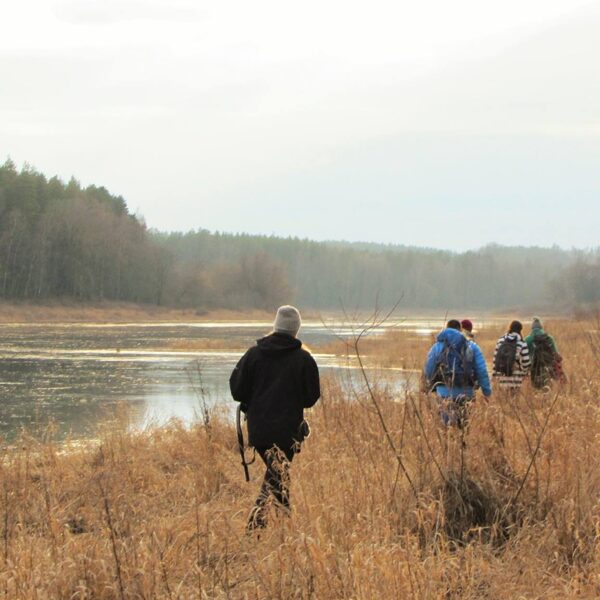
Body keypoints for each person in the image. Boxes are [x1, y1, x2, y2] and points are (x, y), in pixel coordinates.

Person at [229, 305, 320, 530]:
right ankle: (256, 527)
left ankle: (282, 528)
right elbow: (311, 398)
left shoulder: (253, 355)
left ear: (275, 326)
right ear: (296, 330)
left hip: (259, 430)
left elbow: (237, 391)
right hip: (289, 432)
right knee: (277, 475)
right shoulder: (304, 359)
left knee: (277, 475)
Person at [424, 319, 491, 427]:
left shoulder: (437, 347)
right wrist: (486, 392)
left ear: (446, 329)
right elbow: (482, 370)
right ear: (460, 330)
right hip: (467, 392)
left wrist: (429, 386)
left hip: (444, 393)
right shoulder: (472, 347)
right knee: (464, 428)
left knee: (446, 429)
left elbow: (429, 370)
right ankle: (463, 442)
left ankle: (448, 442)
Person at [492, 320, 531, 391]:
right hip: (516, 380)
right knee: (514, 400)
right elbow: (526, 363)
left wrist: (495, 375)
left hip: (501, 379)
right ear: (520, 330)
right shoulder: (522, 343)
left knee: (502, 401)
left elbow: (495, 360)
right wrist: (524, 373)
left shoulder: (500, 341)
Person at [525, 317, 562, 389]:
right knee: (548, 386)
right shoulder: (549, 338)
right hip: (548, 366)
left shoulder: (528, 339)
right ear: (541, 327)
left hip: (534, 368)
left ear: (532, 328)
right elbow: (556, 354)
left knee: (535, 387)